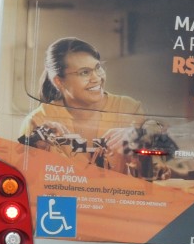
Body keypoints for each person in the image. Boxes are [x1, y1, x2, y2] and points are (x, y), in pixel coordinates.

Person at [19, 37, 144, 173]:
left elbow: (161, 170)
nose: (97, 78)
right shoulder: (38, 120)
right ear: (59, 81)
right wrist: (38, 147)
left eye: (98, 68)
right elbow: (24, 175)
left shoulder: (129, 109)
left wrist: (141, 138)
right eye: (84, 72)